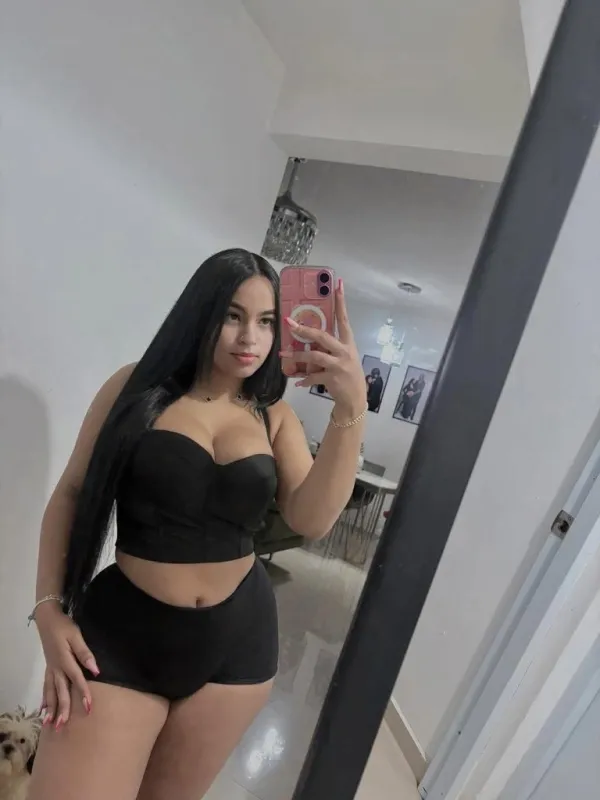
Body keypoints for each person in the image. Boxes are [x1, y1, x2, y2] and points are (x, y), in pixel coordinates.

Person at [28, 249, 367, 800]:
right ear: (201, 313)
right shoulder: (134, 389)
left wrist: (350, 407)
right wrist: (48, 609)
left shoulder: (272, 414)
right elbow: (71, 493)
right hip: (122, 636)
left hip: (236, 650)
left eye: (266, 321)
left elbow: (312, 518)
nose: (250, 338)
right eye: (233, 315)